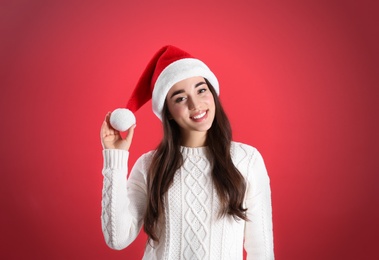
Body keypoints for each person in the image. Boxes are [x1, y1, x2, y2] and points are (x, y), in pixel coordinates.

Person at [100, 45, 274, 259]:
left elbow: (261, 249)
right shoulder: (149, 166)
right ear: (169, 113)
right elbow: (117, 238)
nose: (196, 104)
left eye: (201, 90)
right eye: (180, 98)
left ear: (212, 93)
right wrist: (115, 160)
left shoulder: (246, 160)